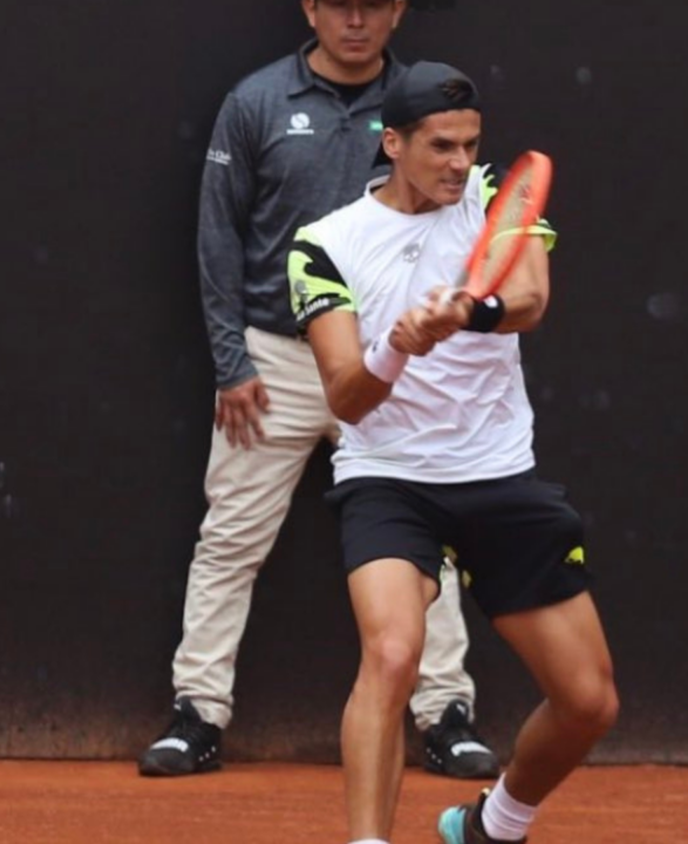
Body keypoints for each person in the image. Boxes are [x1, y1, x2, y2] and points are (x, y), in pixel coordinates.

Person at [139, 0, 498, 782]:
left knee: (424, 539)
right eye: (340, 4)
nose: (356, 20)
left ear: (399, 10)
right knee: (231, 537)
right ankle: (197, 712)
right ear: (310, 7)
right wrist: (233, 361)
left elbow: (463, 225)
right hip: (279, 360)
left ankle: (446, 713)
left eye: (374, 5)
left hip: (391, 359)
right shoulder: (257, 102)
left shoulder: (430, 108)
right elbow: (218, 231)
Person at [288, 61, 619, 844]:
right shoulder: (324, 245)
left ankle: (493, 826)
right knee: (394, 653)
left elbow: (530, 300)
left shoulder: (494, 194)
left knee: (588, 701)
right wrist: (398, 347)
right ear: (392, 143)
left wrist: (470, 312)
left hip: (498, 473)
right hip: (389, 481)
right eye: (440, 146)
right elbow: (345, 396)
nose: (459, 163)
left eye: (469, 144)